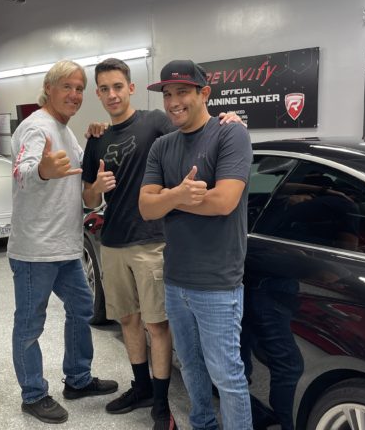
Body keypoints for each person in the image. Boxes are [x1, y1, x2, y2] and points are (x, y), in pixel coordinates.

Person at [82, 58, 244, 430]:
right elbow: (98, 199)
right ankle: (143, 390)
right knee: (130, 322)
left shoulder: (157, 122)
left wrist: (227, 118)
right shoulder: (98, 137)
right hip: (117, 242)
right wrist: (97, 190)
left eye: (117, 86)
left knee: (164, 331)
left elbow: (220, 194)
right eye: (104, 89)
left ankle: (160, 406)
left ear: (131, 88)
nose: (112, 94)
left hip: (157, 247)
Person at [139, 59, 253, 430]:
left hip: (218, 282)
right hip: (176, 280)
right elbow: (145, 208)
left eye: (182, 92)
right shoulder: (161, 147)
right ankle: (204, 425)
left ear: (204, 93)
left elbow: (224, 202)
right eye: (167, 94)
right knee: (189, 366)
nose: (173, 102)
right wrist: (180, 194)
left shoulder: (229, 134)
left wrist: (168, 200)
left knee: (227, 376)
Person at [7, 60, 118, 425]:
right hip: (35, 250)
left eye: (80, 88)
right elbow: (23, 171)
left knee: (82, 307)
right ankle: (34, 395)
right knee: (29, 324)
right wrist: (42, 170)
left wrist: (95, 190)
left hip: (66, 247)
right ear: (49, 88)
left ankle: (78, 378)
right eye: (67, 86)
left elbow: (84, 197)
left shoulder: (67, 133)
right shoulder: (36, 128)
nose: (74, 94)